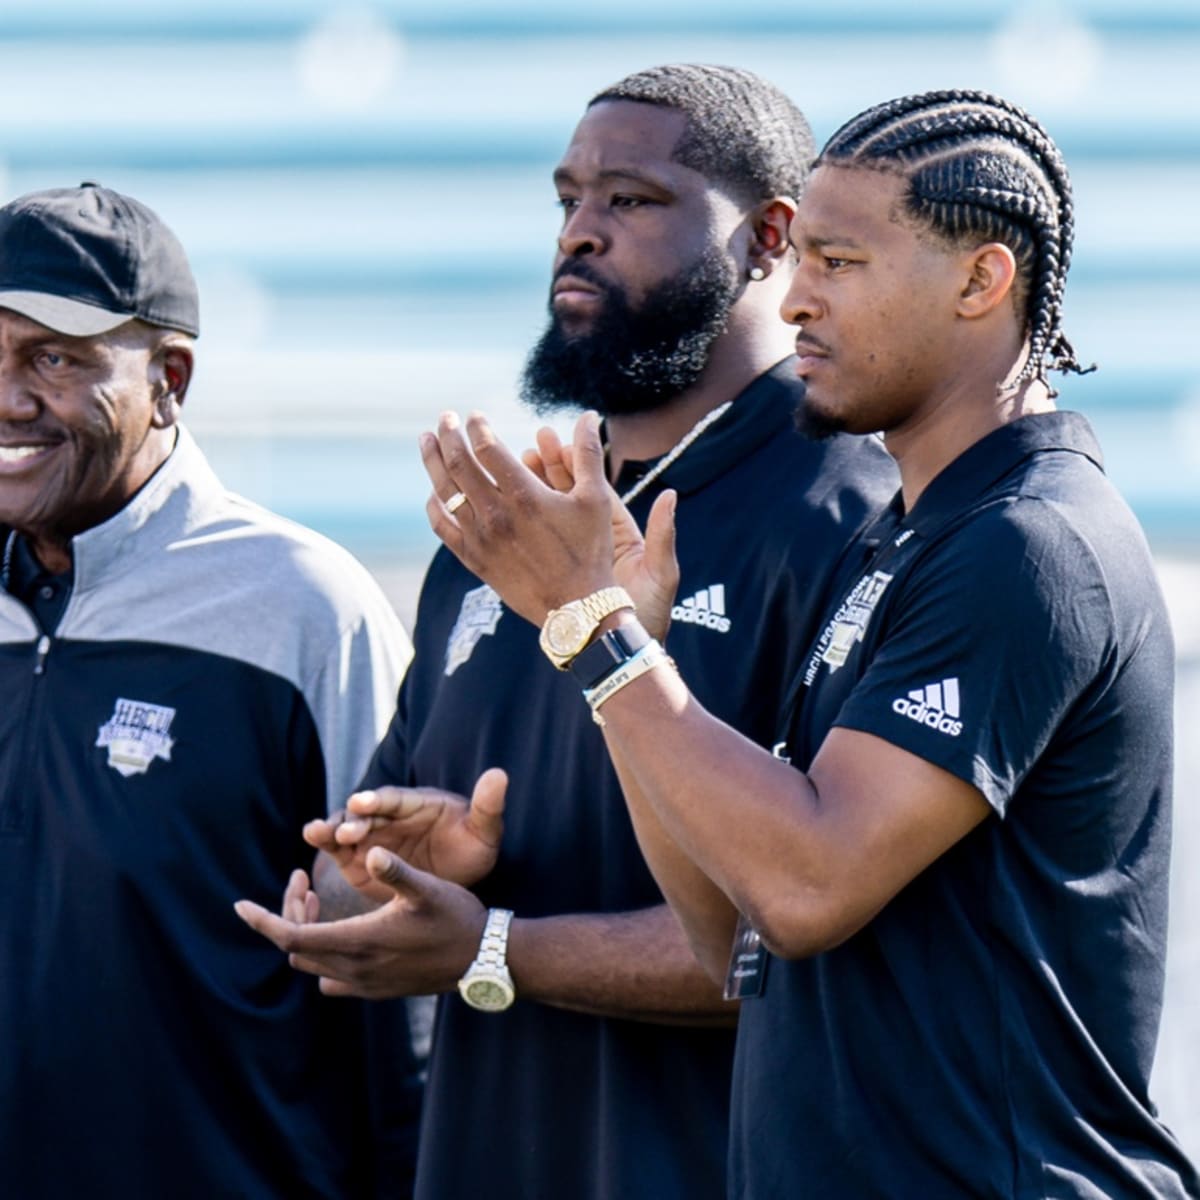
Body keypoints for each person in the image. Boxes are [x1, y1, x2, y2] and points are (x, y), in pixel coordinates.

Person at [404, 90, 1200, 1197]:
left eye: (840, 262)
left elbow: (809, 889)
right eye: (802, 258)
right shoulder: (907, 534)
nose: (797, 298)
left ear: (982, 281)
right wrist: (627, 644)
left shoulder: (1030, 543)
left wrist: (598, 633)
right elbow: (726, 924)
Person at [236, 65, 896, 1199]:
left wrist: (493, 951)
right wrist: (380, 883)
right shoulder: (502, 529)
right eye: (568, 200)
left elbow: (813, 940)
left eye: (631, 200)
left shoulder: (855, 515)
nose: (581, 234)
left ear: (768, 237)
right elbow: (376, 906)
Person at [0, 182, 415, 1198]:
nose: (11, 398)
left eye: (56, 358)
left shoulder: (304, 605)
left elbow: (400, 983)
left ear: (170, 379)